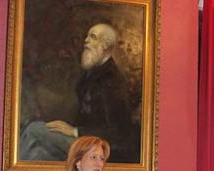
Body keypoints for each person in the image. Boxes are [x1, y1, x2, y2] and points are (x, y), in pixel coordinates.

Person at [19, 23, 139, 163]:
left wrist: (75, 131)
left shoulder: (112, 81)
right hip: (84, 141)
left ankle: (14, 170)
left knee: (34, 130)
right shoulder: (92, 73)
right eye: (87, 36)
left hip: (97, 148)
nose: (86, 40)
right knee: (38, 153)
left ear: (105, 45)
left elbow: (118, 132)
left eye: (92, 37)